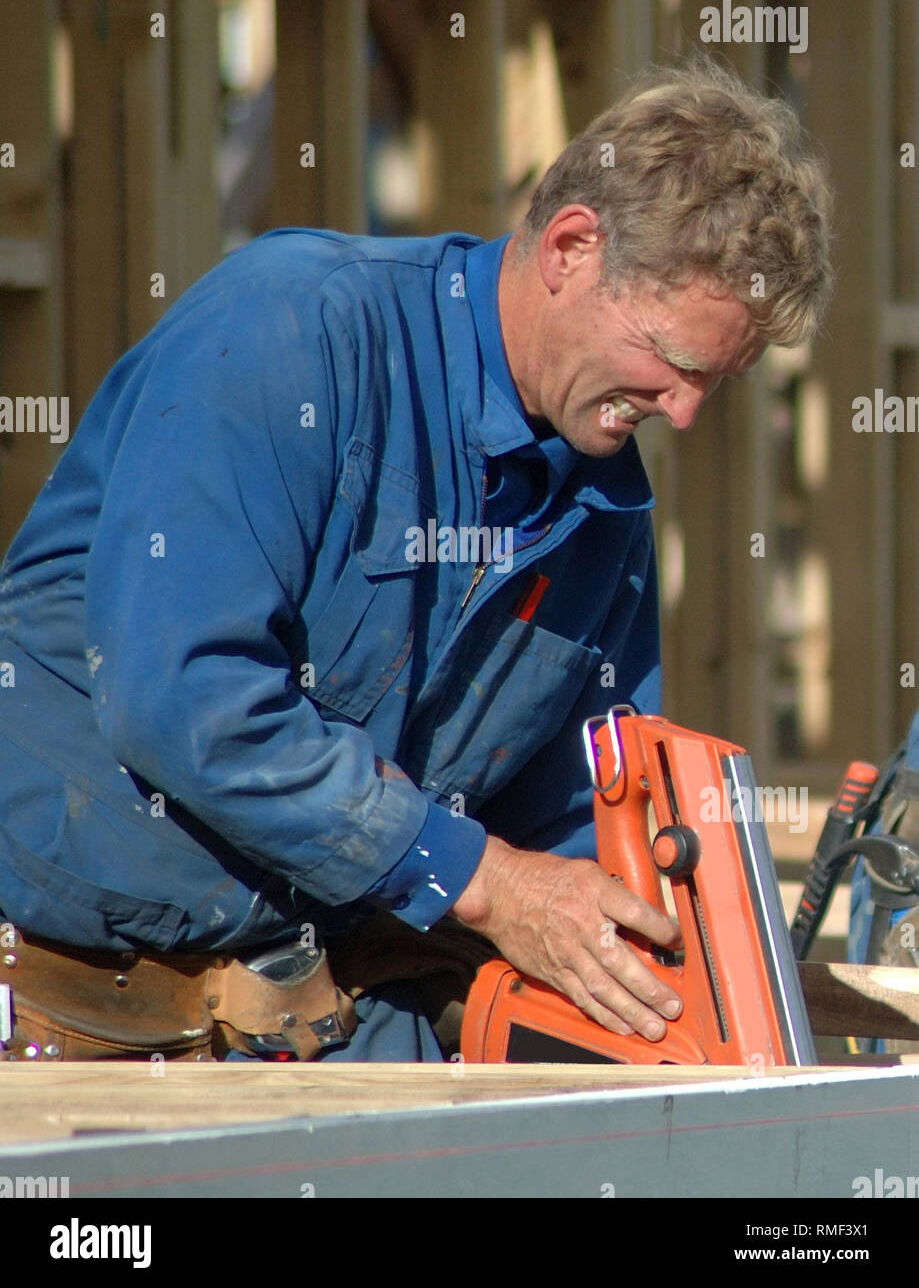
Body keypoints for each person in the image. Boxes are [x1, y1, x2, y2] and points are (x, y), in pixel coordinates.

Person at [0, 55, 832, 1062]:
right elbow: (187, 696)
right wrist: (486, 881)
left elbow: (571, 835)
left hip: (323, 1025)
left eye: (720, 381)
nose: (687, 414)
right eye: (675, 362)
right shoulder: (296, 331)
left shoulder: (600, 508)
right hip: (58, 1020)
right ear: (572, 246)